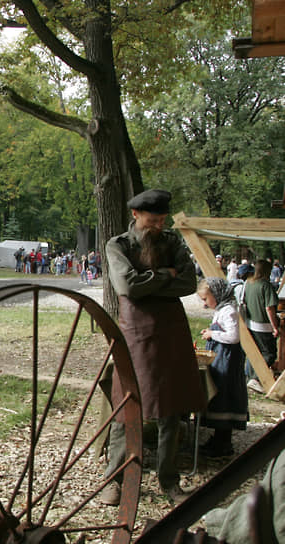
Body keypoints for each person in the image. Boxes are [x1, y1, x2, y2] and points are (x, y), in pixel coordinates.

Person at [101, 188, 205, 506]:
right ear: (135, 215)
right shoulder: (118, 245)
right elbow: (126, 285)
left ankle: (168, 480)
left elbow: (189, 283)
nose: (158, 226)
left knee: (171, 409)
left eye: (161, 220)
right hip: (135, 333)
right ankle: (114, 479)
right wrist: (164, 275)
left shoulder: (172, 242)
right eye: (152, 220)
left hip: (171, 331)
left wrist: (148, 281)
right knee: (126, 404)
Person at [197, 277, 249, 458]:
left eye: (205, 299)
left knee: (225, 396)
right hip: (221, 358)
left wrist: (213, 333)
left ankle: (223, 442)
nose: (204, 303)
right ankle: (218, 438)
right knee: (219, 396)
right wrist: (211, 334)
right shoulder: (221, 310)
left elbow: (233, 337)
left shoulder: (229, 311)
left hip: (227, 361)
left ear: (216, 294)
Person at [244, 259, 279, 394]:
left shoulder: (249, 283)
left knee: (255, 352)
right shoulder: (266, 285)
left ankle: (249, 377)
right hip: (264, 325)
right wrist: (275, 326)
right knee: (269, 354)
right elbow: (269, 308)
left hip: (251, 323)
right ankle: (255, 378)